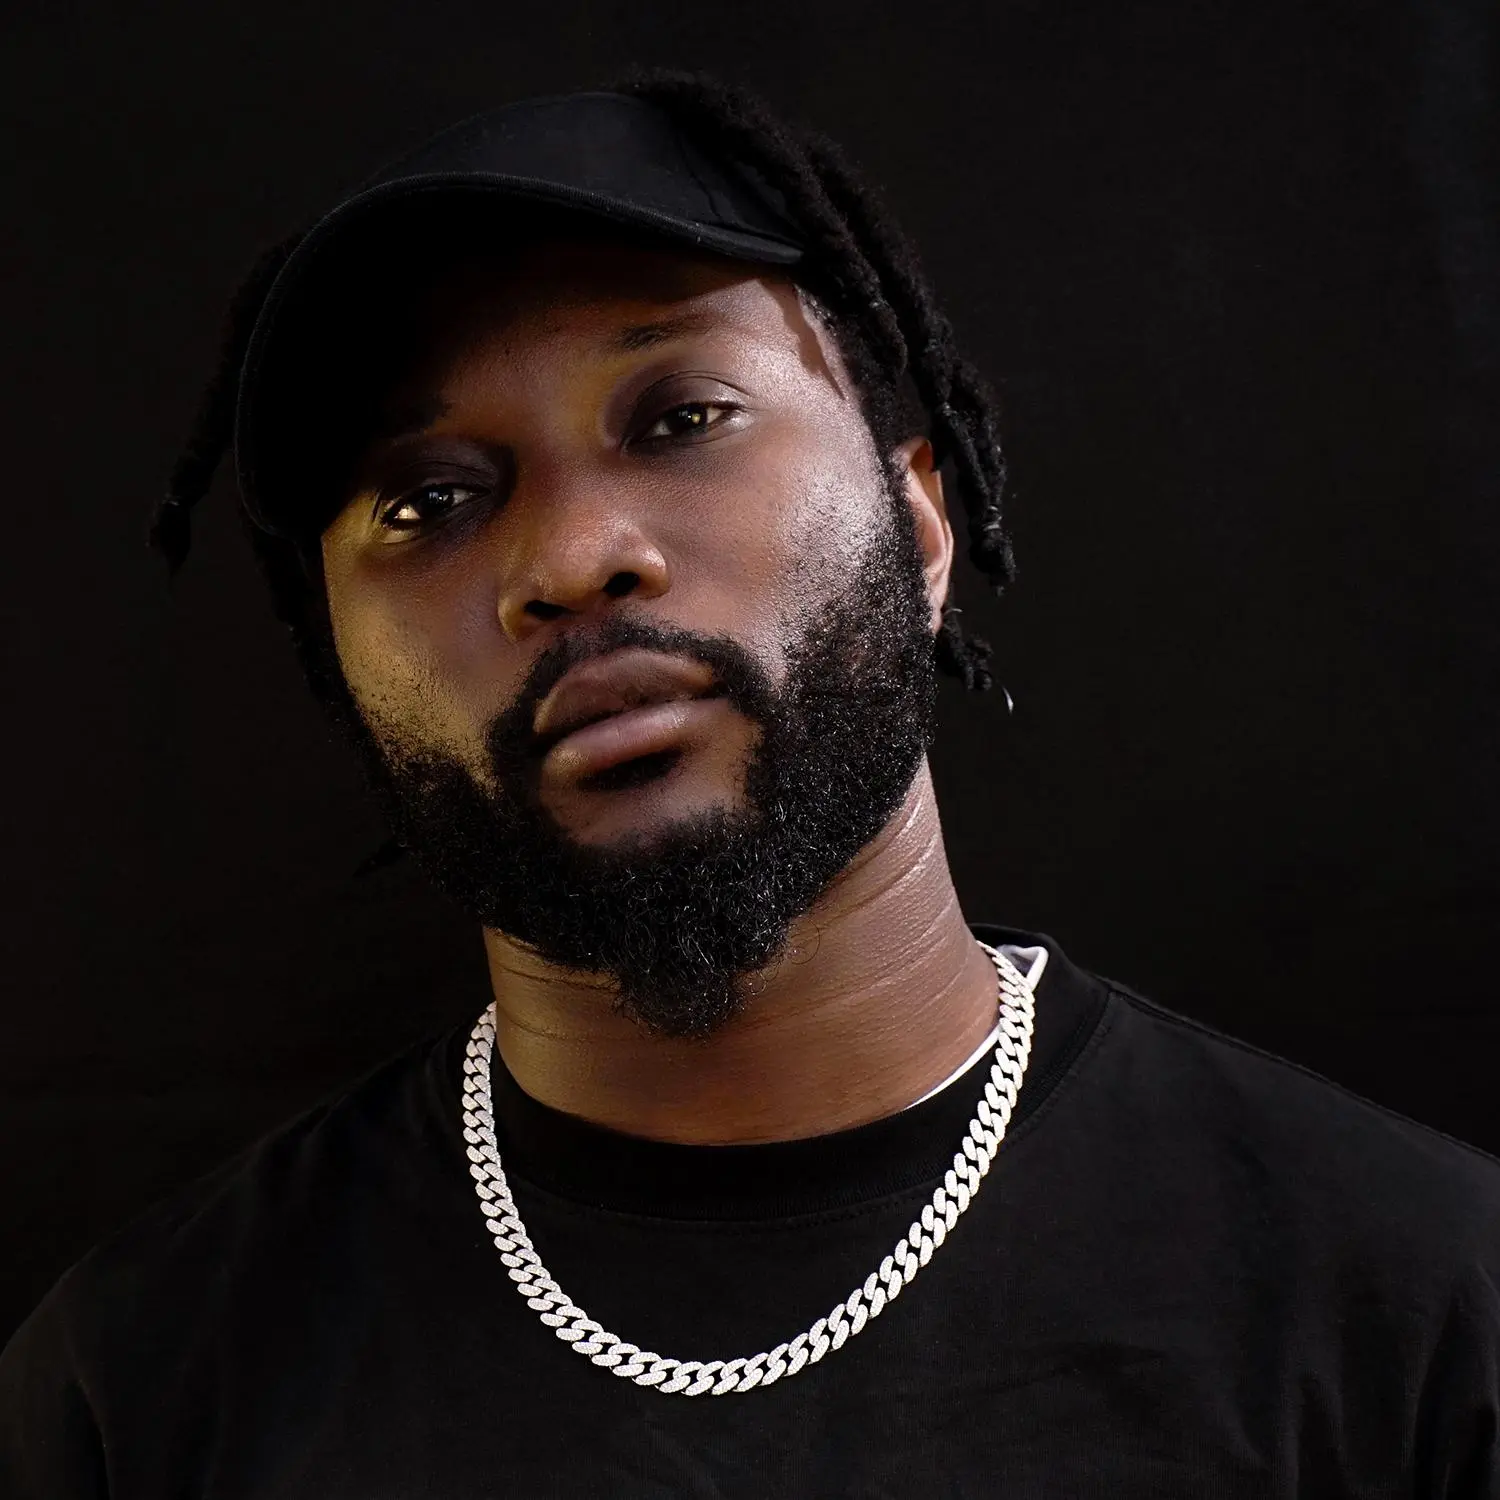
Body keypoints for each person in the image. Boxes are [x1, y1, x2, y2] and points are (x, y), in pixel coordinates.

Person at [2, 68, 1496, 1498]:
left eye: (680, 419)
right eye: (432, 500)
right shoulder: (135, 1394)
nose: (573, 559)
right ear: (341, 665)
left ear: (920, 526)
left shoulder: (1423, 1314)